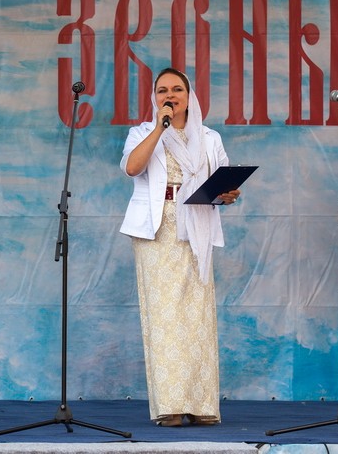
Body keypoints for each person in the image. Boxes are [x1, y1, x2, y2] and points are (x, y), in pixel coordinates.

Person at [119, 68, 239, 427]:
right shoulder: (142, 132)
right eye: (162, 91)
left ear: (189, 96)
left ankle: (201, 404)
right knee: (163, 316)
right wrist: (160, 128)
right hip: (156, 229)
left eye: (176, 89)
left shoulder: (209, 137)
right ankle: (169, 405)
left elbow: (222, 183)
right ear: (154, 98)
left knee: (196, 316)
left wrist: (228, 195)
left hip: (196, 225)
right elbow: (132, 168)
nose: (169, 95)